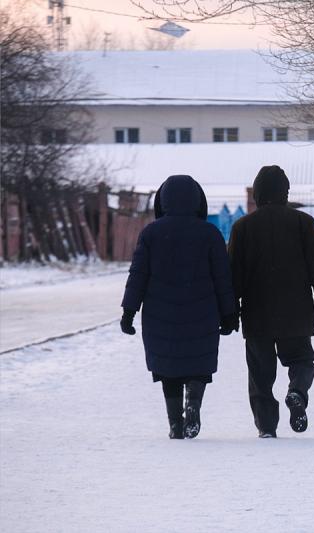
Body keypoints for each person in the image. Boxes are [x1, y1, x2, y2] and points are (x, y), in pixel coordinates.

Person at [120, 175, 237, 440]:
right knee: (198, 365)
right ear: (198, 201)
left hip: (160, 316)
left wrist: (129, 312)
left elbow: (137, 275)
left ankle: (175, 423)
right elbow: (223, 278)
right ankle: (193, 404)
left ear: (163, 200)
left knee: (168, 369)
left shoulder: (151, 233)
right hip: (202, 313)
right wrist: (229, 314)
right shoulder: (210, 234)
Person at [228, 165, 314, 438]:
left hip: (257, 314)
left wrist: (228, 315)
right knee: (302, 360)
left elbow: (233, 276)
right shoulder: (303, 223)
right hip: (295, 313)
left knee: (260, 375)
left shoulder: (242, 227)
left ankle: (266, 427)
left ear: (258, 194)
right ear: (285, 192)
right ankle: (297, 391)